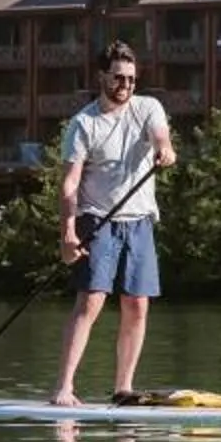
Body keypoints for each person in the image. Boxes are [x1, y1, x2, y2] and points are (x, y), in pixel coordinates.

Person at [48, 41, 176, 408]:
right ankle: (64, 388)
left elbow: (162, 139)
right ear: (102, 77)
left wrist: (164, 150)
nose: (126, 86)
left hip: (139, 220)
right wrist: (68, 235)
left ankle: (123, 388)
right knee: (91, 302)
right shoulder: (83, 124)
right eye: (118, 78)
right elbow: (69, 184)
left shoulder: (148, 107)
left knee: (137, 304)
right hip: (97, 219)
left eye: (132, 80)